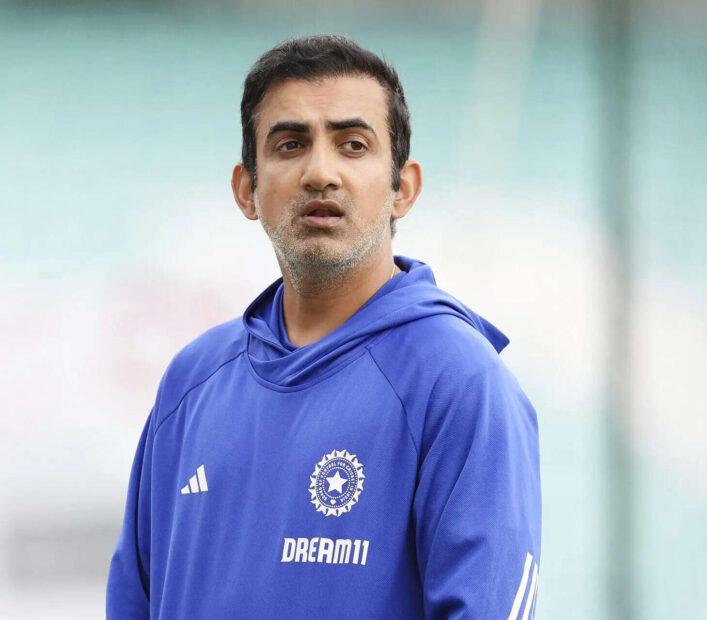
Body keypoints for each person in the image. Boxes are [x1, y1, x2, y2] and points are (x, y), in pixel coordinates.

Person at [106, 34, 541, 619]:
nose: (320, 172)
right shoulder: (191, 381)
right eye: (290, 145)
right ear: (247, 189)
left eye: (353, 145)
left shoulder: (460, 381)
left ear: (403, 188)